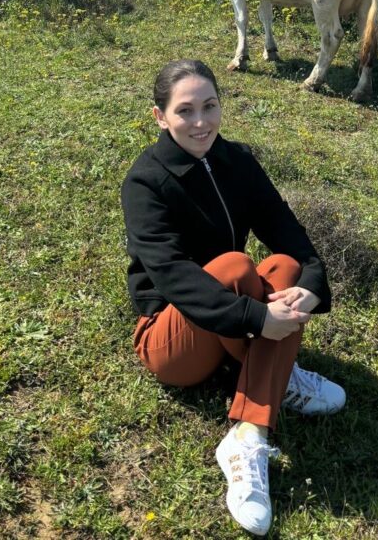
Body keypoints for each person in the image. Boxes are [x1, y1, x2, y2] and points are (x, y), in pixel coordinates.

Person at [121, 59, 345, 536]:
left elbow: (285, 229)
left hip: (227, 318)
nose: (200, 122)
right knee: (235, 265)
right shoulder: (144, 182)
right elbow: (173, 275)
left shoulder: (237, 160)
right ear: (160, 116)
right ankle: (266, 393)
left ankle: (249, 430)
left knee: (285, 268)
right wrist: (256, 316)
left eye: (210, 106)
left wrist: (313, 284)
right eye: (185, 111)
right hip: (171, 342)